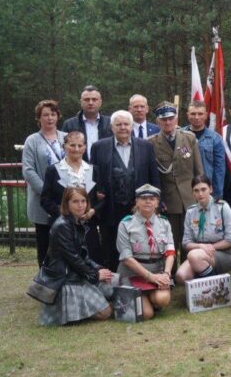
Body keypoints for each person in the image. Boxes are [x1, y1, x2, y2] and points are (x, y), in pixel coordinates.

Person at [90, 110, 160, 270]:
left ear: (131, 126)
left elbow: (153, 176)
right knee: (111, 245)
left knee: (138, 243)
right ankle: (114, 280)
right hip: (110, 207)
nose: (123, 127)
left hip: (138, 206)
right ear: (111, 127)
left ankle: (139, 278)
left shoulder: (146, 147)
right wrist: (97, 198)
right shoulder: (98, 147)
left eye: (126, 124)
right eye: (118, 124)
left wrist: (157, 201)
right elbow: (93, 176)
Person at [38, 187, 113, 326]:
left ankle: (90, 302)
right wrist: (95, 275)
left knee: (113, 284)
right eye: (75, 201)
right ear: (66, 204)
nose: (80, 205)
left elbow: (83, 255)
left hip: (78, 273)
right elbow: (73, 259)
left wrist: (101, 269)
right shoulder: (62, 225)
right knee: (106, 313)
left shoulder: (78, 221)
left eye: (83, 201)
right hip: (65, 280)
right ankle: (72, 311)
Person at [149, 101, 203, 253]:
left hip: (189, 198)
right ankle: (171, 274)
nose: (168, 122)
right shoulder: (151, 143)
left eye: (171, 118)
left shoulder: (189, 138)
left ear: (176, 119)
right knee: (169, 241)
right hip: (168, 200)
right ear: (157, 121)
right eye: (163, 119)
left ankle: (190, 273)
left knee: (191, 239)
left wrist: (200, 193)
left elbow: (198, 169)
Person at [116, 184, 175, 320]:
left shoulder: (164, 223)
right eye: (143, 198)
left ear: (157, 203)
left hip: (157, 272)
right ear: (137, 202)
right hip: (132, 273)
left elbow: (170, 252)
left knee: (163, 300)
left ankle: (149, 298)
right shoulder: (126, 224)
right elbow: (126, 258)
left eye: (152, 198)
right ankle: (141, 298)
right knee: (147, 314)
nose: (148, 201)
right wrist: (150, 277)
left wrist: (166, 274)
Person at [40, 131, 101, 261]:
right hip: (62, 228)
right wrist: (65, 213)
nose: (76, 149)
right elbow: (45, 200)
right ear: (64, 146)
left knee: (91, 262)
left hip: (88, 227)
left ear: (85, 147)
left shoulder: (94, 170)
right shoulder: (53, 170)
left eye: (80, 145)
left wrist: (92, 211)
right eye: (72, 145)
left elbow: (102, 198)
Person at [22, 99, 67, 267]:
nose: (50, 118)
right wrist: (47, 192)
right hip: (43, 201)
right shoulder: (32, 141)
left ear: (58, 116)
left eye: (53, 114)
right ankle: (45, 282)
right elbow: (28, 170)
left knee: (66, 243)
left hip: (67, 199)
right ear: (38, 118)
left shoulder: (66, 137)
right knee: (44, 243)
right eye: (45, 115)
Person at [175, 175, 231, 285]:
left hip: (225, 253)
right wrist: (201, 246)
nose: (200, 194)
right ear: (193, 193)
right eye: (196, 190)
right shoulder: (191, 212)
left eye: (204, 189)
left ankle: (216, 287)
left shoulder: (222, 207)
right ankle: (206, 274)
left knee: (194, 256)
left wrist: (211, 247)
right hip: (199, 252)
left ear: (211, 189)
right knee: (181, 276)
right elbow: (186, 242)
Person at [183, 100, 226, 201]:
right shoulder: (180, 136)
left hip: (206, 190)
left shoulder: (215, 139)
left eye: (200, 114)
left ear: (206, 115)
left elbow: (219, 169)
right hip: (185, 189)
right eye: (193, 114)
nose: (197, 117)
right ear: (187, 115)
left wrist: (217, 194)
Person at [62, 85, 112, 161]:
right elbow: (64, 150)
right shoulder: (69, 124)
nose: (90, 103)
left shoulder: (110, 123)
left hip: (104, 169)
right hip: (78, 169)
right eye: (87, 99)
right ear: (81, 102)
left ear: (100, 102)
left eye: (94, 99)